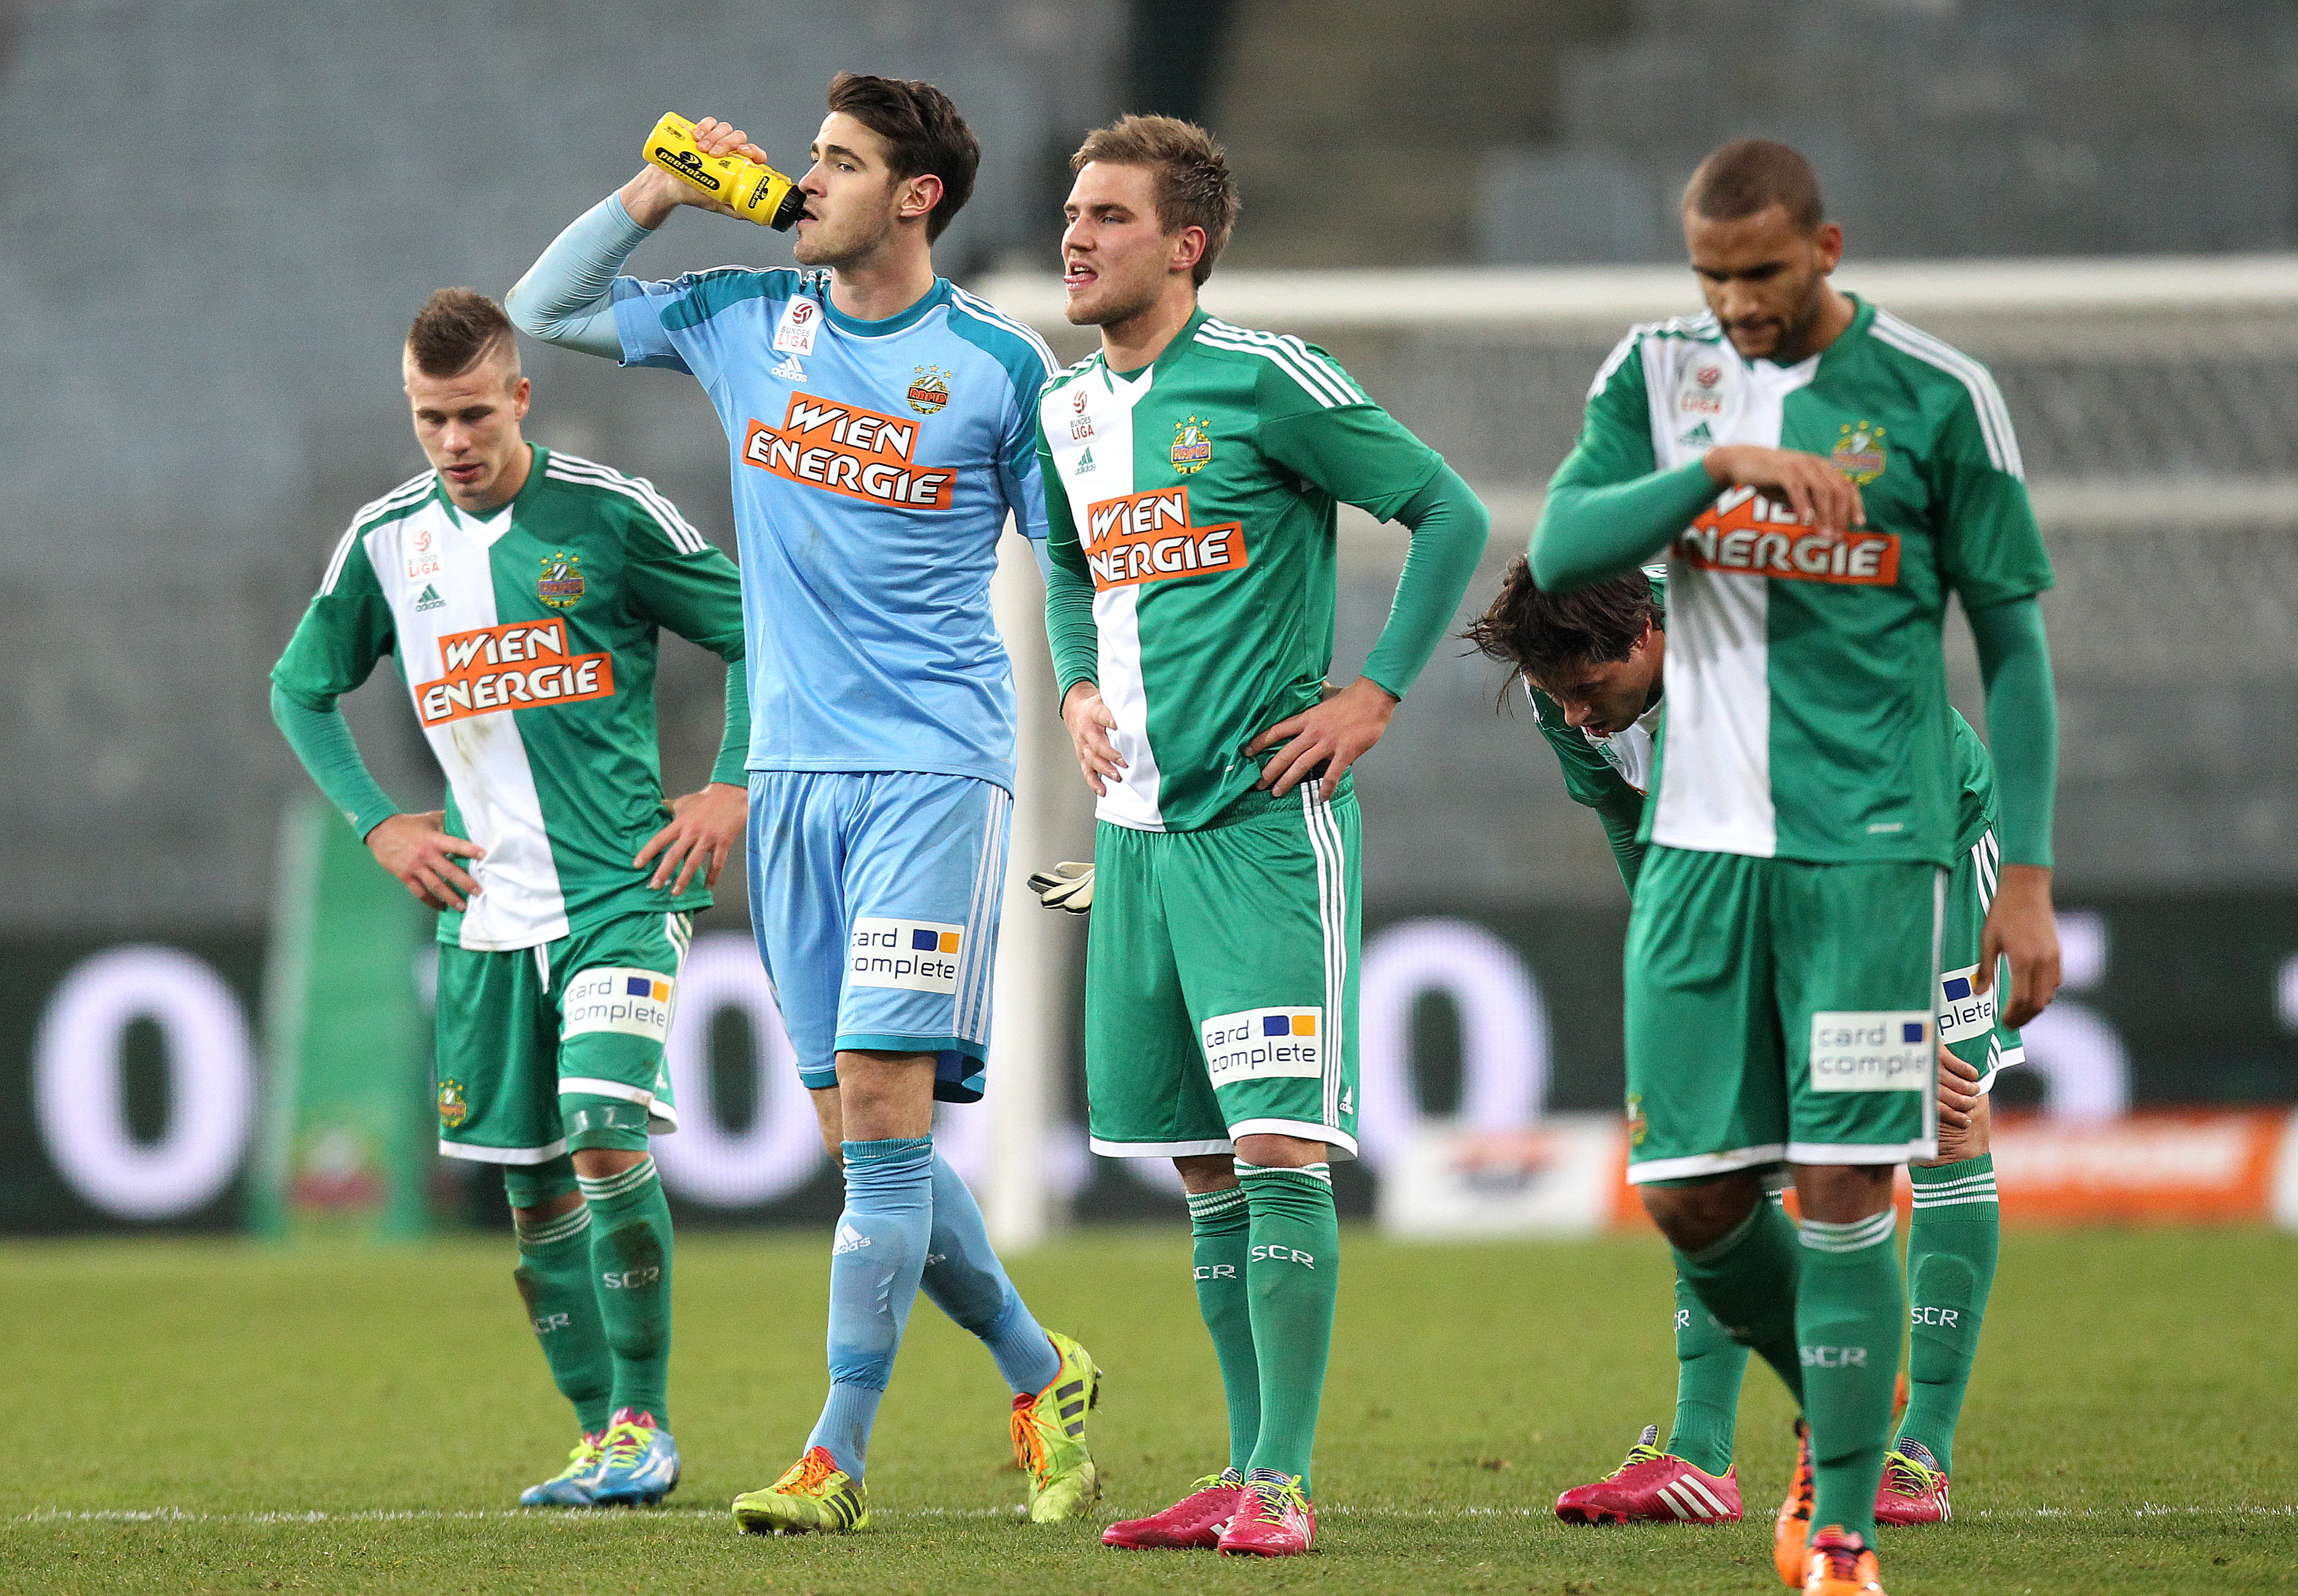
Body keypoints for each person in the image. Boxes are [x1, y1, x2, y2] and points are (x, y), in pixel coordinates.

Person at [505, 73, 1100, 1532]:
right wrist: (664, 192)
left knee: (887, 1117)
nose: (800, 181)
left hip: (932, 775)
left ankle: (833, 1453)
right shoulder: (738, 320)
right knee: (869, 1148)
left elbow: (1073, 554)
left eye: (835, 163)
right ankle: (1041, 1367)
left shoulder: (992, 364)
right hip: (791, 782)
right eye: (806, 159)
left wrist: (1083, 690)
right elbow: (546, 303)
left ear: (915, 197)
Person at [1528, 137, 2061, 1596]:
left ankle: (1845, 1517)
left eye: (1758, 274)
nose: (1735, 304)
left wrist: (2023, 875)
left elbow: (2009, 647)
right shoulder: (1654, 372)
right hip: (1704, 859)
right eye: (1709, 276)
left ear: (1825, 246)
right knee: (1690, 1194)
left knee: (1854, 1175)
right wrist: (1712, 470)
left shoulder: (1939, 398)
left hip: (1876, 852)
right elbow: (1565, 534)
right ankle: (1844, 1398)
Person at [1040, 115, 1490, 1557]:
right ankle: (1241, 1471)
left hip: (1259, 831)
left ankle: (1285, 1483)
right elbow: (1064, 554)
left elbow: (1445, 507)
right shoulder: (1069, 409)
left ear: (1185, 244)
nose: (1075, 235)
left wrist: (1373, 692)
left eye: (1108, 215)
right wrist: (1074, 681)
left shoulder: (1261, 380)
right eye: (1072, 210)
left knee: (1279, 1142)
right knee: (1200, 1162)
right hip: (1133, 841)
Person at [270, 288, 749, 1507]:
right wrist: (377, 823)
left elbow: (761, 634)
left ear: (520, 396)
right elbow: (300, 688)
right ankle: (600, 1435)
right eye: (430, 417)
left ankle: (644, 1416)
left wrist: (729, 786)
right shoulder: (387, 541)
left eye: (473, 412)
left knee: (600, 1128)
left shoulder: (607, 514)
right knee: (531, 1192)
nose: (452, 440)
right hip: (486, 914)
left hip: (619, 893)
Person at [1466, 559, 2017, 1531]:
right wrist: (1696, 987)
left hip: (1910, 835)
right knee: (1715, 1124)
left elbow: (1856, 848)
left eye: (1593, 692)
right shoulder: (1572, 690)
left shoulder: (1775, 669)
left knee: (1942, 1114)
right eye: (1562, 699)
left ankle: (1918, 1452)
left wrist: (1884, 1011)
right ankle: (1699, 1456)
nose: (1582, 719)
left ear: (1648, 634)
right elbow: (1638, 834)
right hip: (1755, 859)